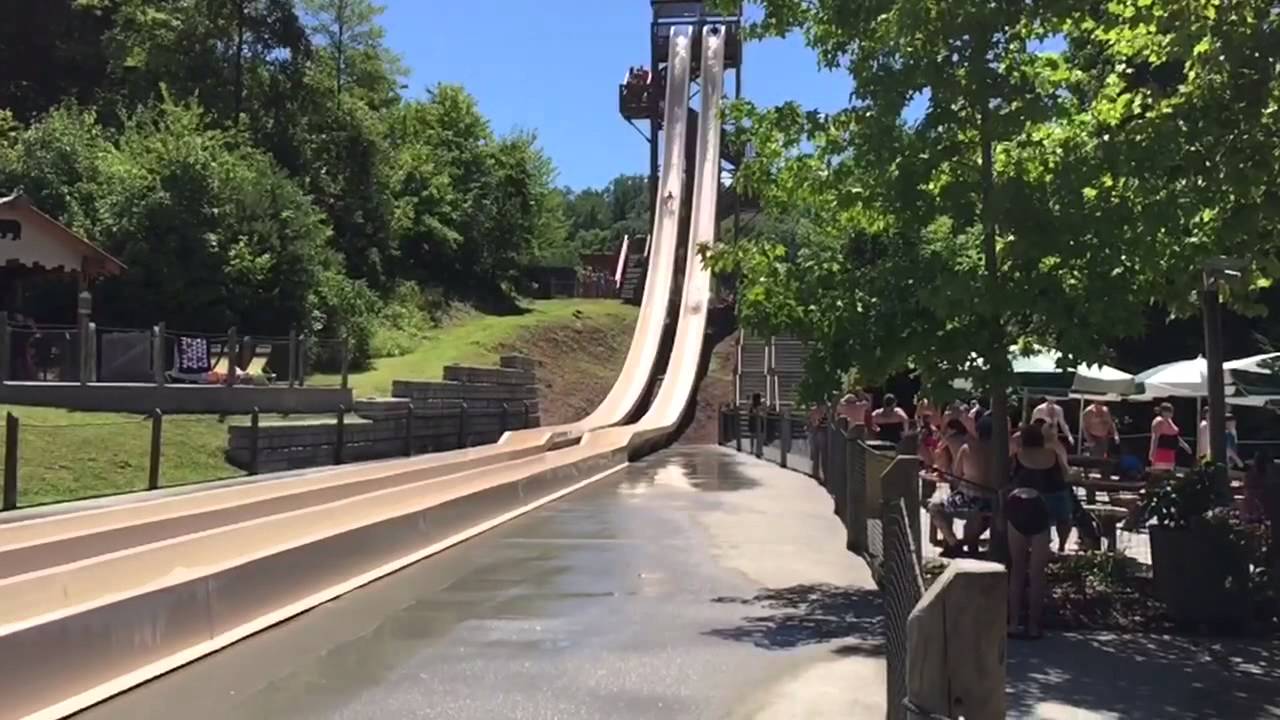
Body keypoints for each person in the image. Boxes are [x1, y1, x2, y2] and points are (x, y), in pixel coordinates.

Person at [1006, 424, 1072, 639]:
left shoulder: (1016, 456)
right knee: (1037, 573)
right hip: (1041, 513)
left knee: (1017, 570)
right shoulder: (1052, 455)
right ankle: (1034, 625)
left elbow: (1006, 479)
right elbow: (1063, 477)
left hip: (1018, 511)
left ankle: (1013, 622)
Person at [928, 417, 997, 557]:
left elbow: (956, 477)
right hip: (992, 501)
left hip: (969, 498)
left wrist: (942, 474)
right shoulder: (1002, 451)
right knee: (982, 516)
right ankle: (969, 543)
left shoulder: (967, 448)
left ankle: (955, 544)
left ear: (977, 431)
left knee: (935, 507)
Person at [1149, 402, 1190, 471]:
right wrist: (1152, 452)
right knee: (1159, 473)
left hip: (1170, 452)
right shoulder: (1159, 421)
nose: (1172, 414)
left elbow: (1175, 435)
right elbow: (1155, 437)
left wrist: (1185, 445)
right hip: (1160, 451)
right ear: (1164, 412)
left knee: (1169, 473)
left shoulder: (1169, 421)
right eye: (1170, 412)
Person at [808, 400, 830, 482]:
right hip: (821, 433)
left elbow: (811, 422)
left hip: (815, 432)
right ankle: (824, 476)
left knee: (816, 455)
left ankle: (816, 474)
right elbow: (815, 423)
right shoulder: (823, 411)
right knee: (823, 455)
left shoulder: (813, 411)